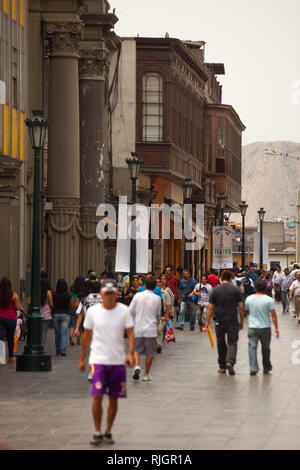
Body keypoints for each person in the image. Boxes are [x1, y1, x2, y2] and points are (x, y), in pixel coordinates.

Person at [78, 278, 135, 447]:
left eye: (112, 293)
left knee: (114, 398)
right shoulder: (94, 312)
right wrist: (82, 359)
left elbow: (131, 333)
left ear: (116, 293)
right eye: (107, 293)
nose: (110, 296)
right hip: (98, 360)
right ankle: (97, 431)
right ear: (102, 293)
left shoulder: (124, 311)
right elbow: (86, 336)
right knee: (97, 396)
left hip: (117, 361)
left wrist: (131, 353)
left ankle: (108, 429)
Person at [205, 270, 245, 375]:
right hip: (232, 320)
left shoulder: (215, 290)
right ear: (231, 278)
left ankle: (222, 366)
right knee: (232, 342)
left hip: (219, 320)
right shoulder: (235, 290)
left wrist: (207, 322)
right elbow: (241, 306)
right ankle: (230, 362)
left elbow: (210, 307)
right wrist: (241, 321)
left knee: (221, 343)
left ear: (221, 278)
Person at [129, 277, 161, 382]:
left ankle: (137, 365)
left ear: (145, 285)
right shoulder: (157, 298)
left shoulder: (137, 296)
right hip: (151, 329)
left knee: (137, 350)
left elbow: (130, 311)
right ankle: (146, 374)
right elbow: (158, 314)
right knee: (150, 353)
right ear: (155, 286)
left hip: (138, 327)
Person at [245, 280, 279, 376]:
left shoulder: (249, 299)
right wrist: (276, 328)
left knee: (252, 348)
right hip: (265, 327)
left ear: (255, 288)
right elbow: (273, 315)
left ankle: (253, 368)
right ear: (265, 288)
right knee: (265, 348)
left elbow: (246, 312)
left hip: (252, 327)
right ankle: (266, 367)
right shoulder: (268, 300)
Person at [0, 277, 20, 363]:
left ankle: (0, 357)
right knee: (10, 337)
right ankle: (10, 357)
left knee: (0, 337)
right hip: (11, 319)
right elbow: (17, 307)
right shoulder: (14, 295)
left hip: (1, 317)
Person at [52, 279, 75, 356]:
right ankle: (63, 350)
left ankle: (58, 349)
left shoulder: (54, 294)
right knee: (63, 333)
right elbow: (72, 305)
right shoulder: (68, 295)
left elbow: (52, 304)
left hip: (56, 315)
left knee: (57, 333)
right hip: (65, 315)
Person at [157, 274, 173, 352]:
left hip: (162, 314)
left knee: (161, 329)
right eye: (161, 279)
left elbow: (170, 301)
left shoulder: (167, 291)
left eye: (164, 279)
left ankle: (160, 343)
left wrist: (169, 313)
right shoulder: (155, 291)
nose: (162, 280)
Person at [69, 276, 84, 346]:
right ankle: (78, 340)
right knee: (80, 325)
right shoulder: (83, 290)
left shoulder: (72, 289)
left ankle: (71, 336)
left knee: (72, 324)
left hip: (73, 308)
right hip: (80, 309)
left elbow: (72, 298)